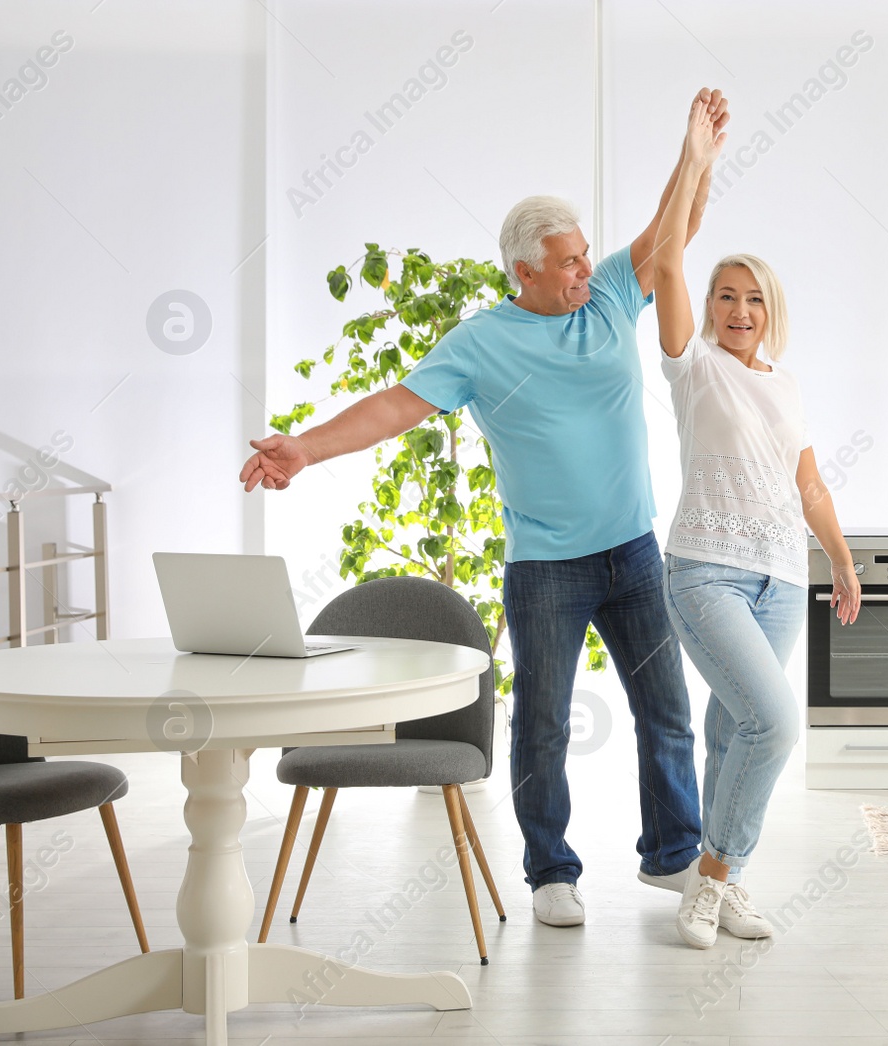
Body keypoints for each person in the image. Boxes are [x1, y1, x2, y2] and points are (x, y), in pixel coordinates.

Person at [237, 89, 731, 929]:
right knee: (541, 725)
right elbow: (395, 406)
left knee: (668, 714)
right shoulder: (479, 343)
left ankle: (673, 856)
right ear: (524, 272)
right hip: (545, 568)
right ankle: (550, 872)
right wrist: (305, 447)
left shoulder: (612, 292)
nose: (584, 268)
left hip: (634, 551)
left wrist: (696, 159)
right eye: (567, 262)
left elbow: (670, 234)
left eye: (583, 254)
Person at [650, 96, 860, 949]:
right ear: (710, 307)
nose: (740, 311)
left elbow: (809, 486)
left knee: (733, 728)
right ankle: (712, 879)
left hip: (781, 579)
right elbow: (664, 260)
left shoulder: (784, 384)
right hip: (705, 570)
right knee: (775, 725)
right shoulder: (693, 367)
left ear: (772, 311)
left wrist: (841, 562)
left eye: (754, 300)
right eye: (726, 298)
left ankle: (726, 881)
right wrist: (694, 159)